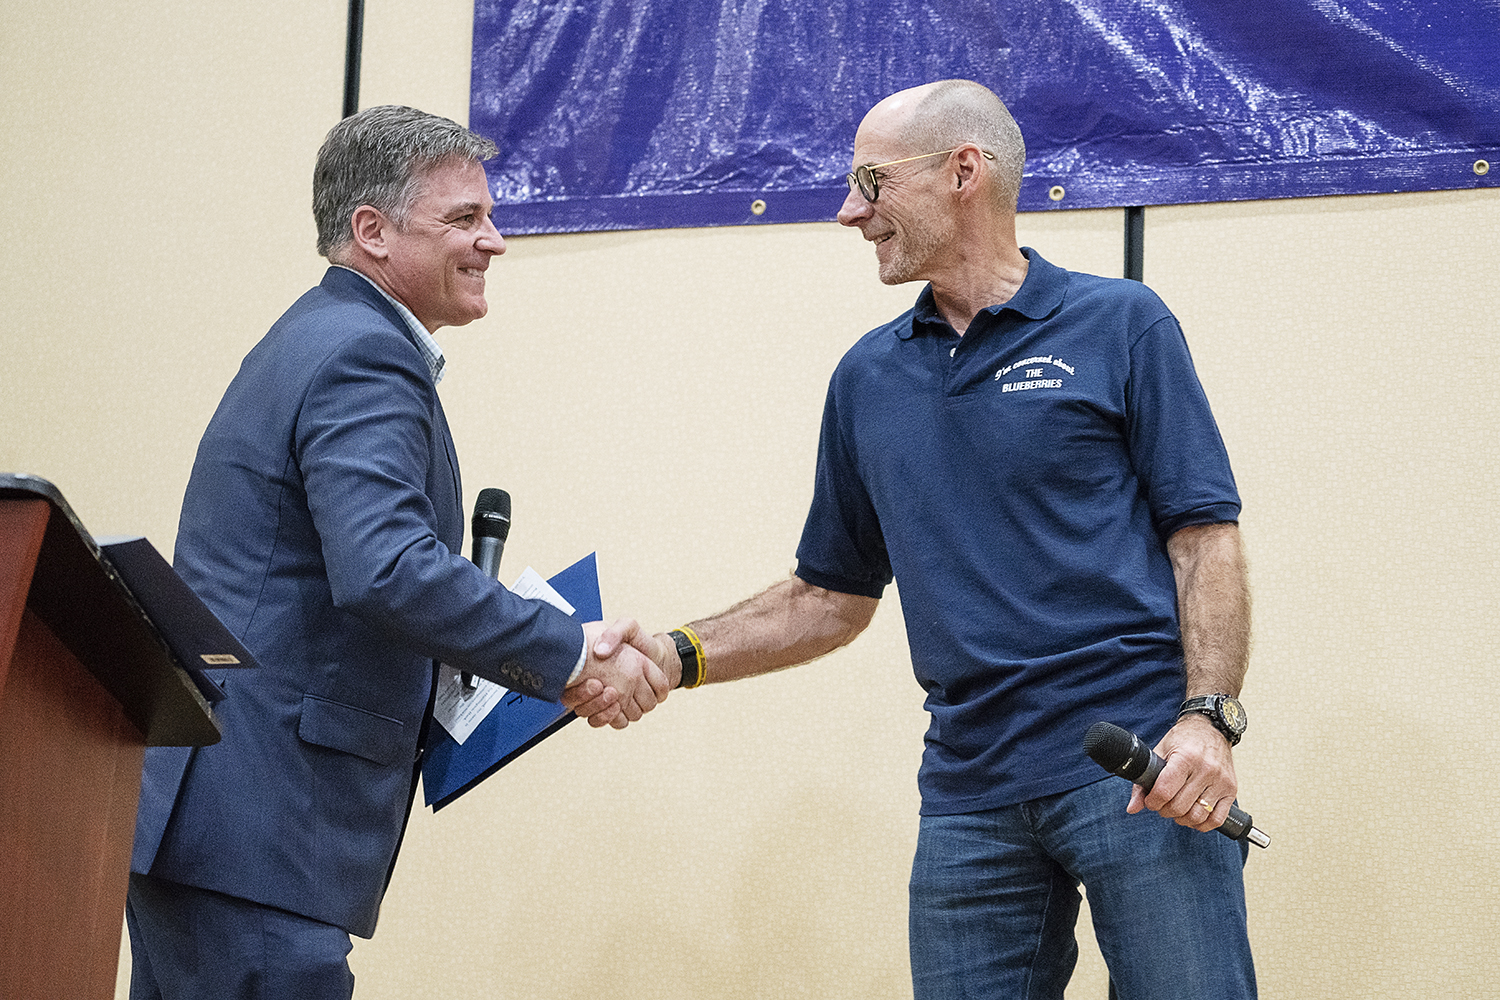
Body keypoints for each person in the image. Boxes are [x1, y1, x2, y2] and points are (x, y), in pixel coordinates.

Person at [601, 80, 1257, 998]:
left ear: (963, 171)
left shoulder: (1122, 325)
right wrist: (678, 654)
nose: (848, 212)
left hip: (1138, 766)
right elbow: (828, 598)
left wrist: (1209, 720)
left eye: (871, 181)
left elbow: (1204, 540)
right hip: (969, 794)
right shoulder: (867, 378)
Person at [126, 105, 666, 999]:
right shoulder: (363, 355)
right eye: (464, 219)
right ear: (371, 232)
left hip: (227, 827)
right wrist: (569, 652)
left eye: (488, 217)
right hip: (262, 827)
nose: (494, 241)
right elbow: (385, 566)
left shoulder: (322, 334)